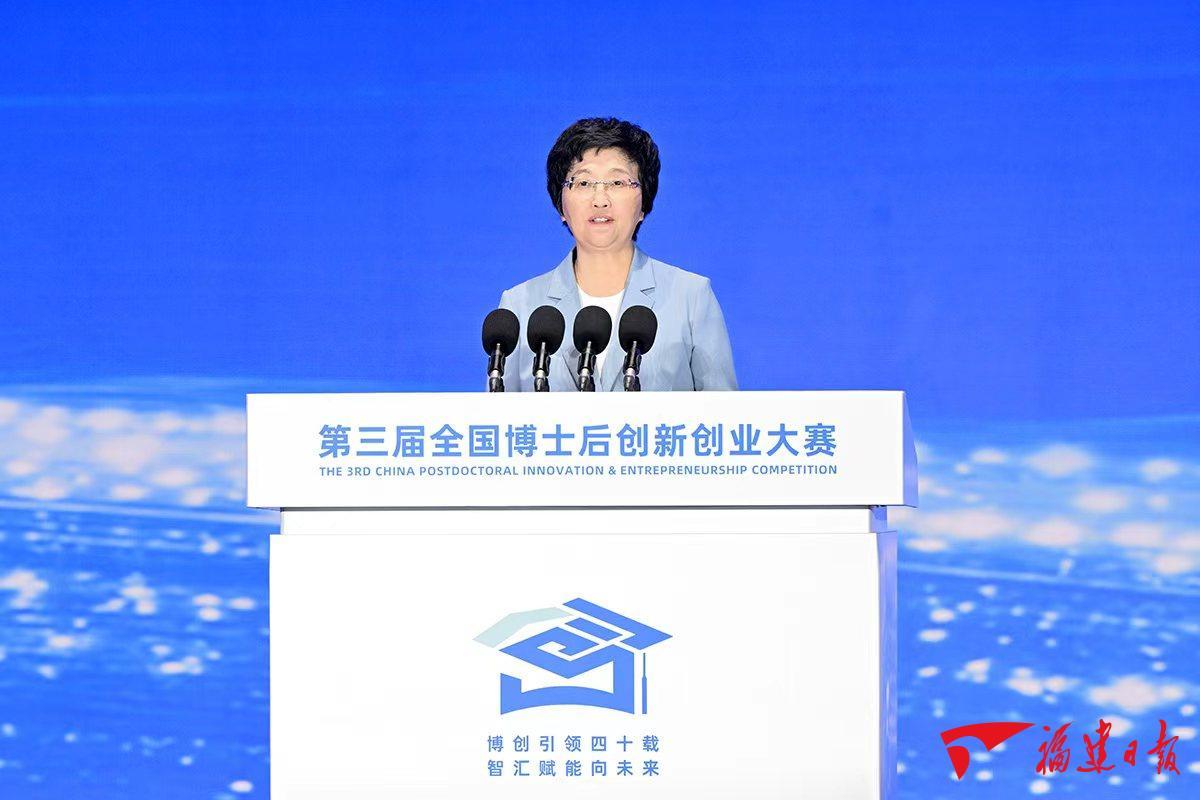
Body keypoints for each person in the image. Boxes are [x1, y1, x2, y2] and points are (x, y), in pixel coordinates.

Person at [496, 117, 738, 392]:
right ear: (561, 206)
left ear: (644, 204)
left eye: (618, 182)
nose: (600, 200)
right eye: (583, 183)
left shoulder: (690, 297)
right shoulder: (520, 306)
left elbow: (723, 413)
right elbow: (499, 415)